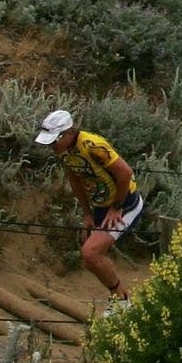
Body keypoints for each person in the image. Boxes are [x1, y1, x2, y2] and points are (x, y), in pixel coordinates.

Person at [37, 109, 142, 300]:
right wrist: (87, 214)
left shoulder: (92, 146)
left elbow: (125, 173)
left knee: (90, 253)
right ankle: (120, 298)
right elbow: (75, 179)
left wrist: (116, 207)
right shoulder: (63, 150)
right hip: (101, 205)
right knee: (90, 260)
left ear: (69, 133)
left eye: (54, 140)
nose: (51, 146)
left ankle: (122, 300)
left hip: (125, 203)